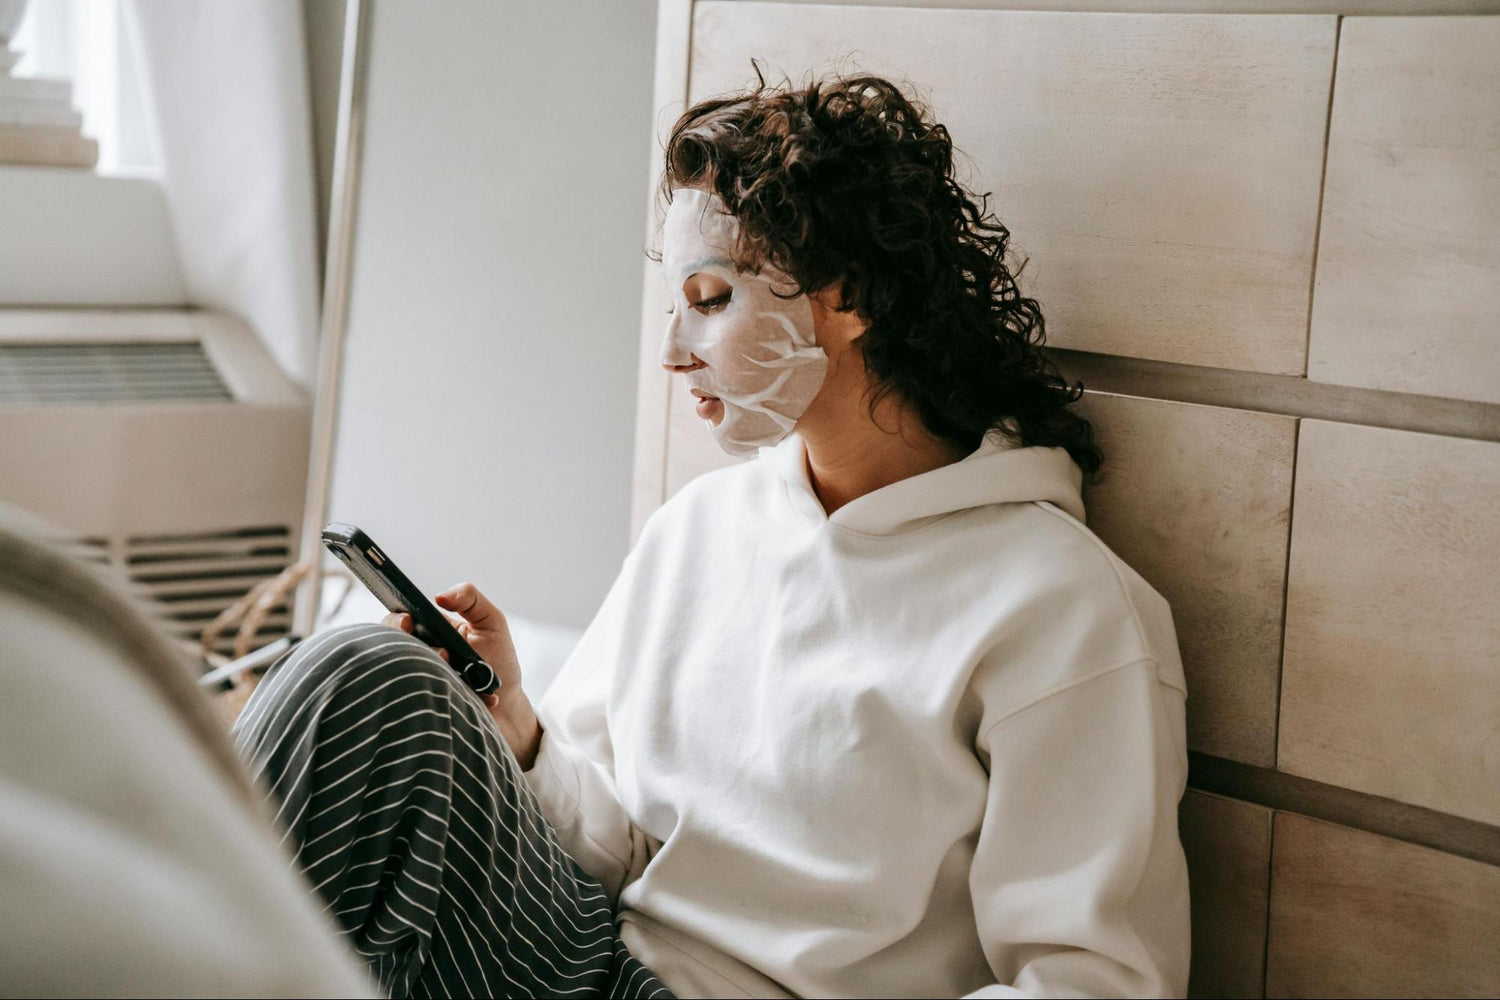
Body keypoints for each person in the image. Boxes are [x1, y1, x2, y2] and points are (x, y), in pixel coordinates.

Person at [231, 70, 1191, 999]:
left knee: (358, 681)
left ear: (848, 295)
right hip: (598, 958)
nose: (671, 352)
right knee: (368, 677)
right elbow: (621, 850)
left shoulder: (1058, 606)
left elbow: (1094, 983)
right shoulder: (701, 528)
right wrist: (517, 726)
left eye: (709, 300)